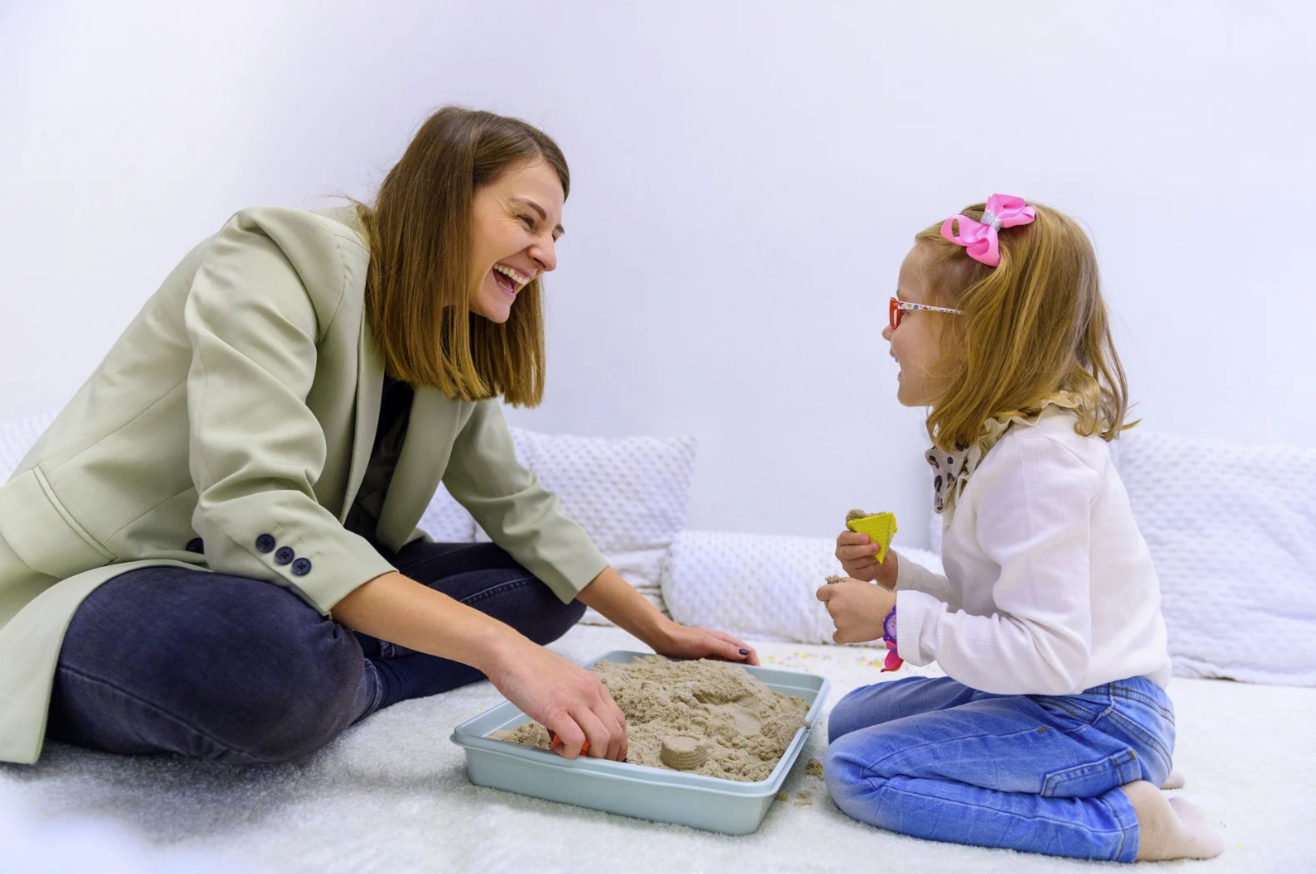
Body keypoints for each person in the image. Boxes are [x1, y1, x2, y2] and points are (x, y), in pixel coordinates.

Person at [0, 106, 757, 768]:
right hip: (109, 579)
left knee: (547, 587)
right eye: (527, 220)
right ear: (442, 200)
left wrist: (660, 628)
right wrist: (500, 650)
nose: (550, 255)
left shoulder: (446, 333)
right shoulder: (273, 260)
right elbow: (255, 507)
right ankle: (343, 675)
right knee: (267, 662)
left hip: (278, 581)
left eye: (556, 233)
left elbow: (516, 503)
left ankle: (343, 677)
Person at [815, 195, 1223, 862]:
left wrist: (897, 619)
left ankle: (1125, 819)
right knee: (850, 720)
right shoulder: (1005, 445)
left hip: (1092, 711)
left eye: (903, 310)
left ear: (976, 330)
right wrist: (901, 580)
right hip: (1053, 693)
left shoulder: (1040, 463)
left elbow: (1049, 652)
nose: (886, 332)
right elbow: (999, 612)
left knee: (861, 769)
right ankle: (1122, 765)